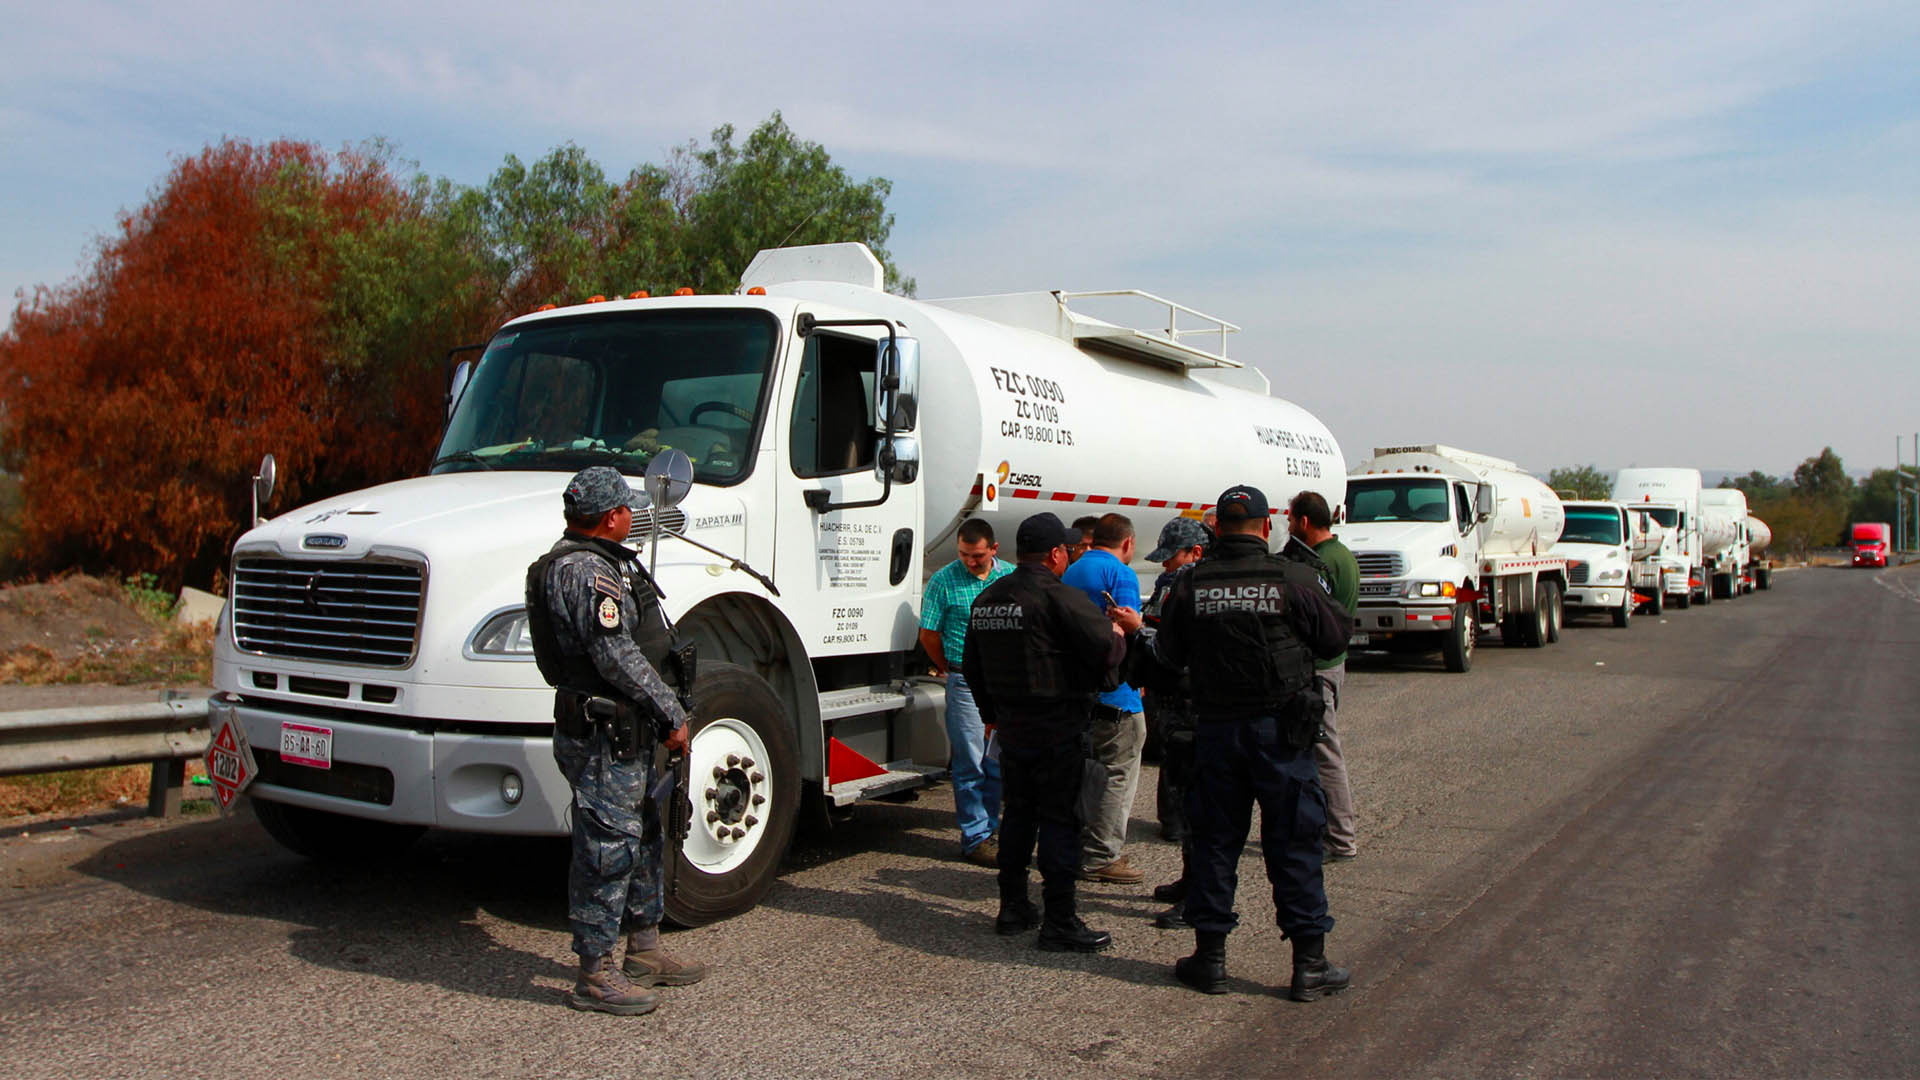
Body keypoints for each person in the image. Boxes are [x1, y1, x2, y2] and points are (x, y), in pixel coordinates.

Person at [1114, 485, 1352, 1000]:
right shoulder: (1296, 578)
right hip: (1281, 734)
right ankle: (1309, 964)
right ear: (1268, 528)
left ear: (1216, 530)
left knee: (1216, 843)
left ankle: (1211, 959)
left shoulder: (1193, 585)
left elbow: (1169, 657)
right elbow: (1335, 639)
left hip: (1216, 730)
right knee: (1295, 843)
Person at [524, 466, 710, 1016]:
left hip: (626, 730)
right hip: (605, 730)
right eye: (627, 509)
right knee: (607, 847)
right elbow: (615, 656)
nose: (633, 515)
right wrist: (671, 710)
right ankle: (595, 973)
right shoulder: (586, 573)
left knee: (644, 833)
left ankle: (644, 949)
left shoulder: (602, 564)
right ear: (611, 518)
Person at [962, 512, 1126, 952]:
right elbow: (1105, 650)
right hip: (1058, 727)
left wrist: (992, 713)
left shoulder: (988, 599)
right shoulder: (1060, 597)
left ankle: (1012, 907)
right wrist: (1118, 632)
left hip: (1012, 729)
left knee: (1017, 816)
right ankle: (1060, 919)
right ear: (1056, 553)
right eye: (1067, 551)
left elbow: (972, 666)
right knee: (1060, 822)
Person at [918, 518, 1015, 866]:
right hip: (965, 681)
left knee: (998, 758)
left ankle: (995, 828)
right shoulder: (945, 580)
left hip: (1005, 680)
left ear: (993, 549)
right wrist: (948, 666)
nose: (969, 562)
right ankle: (977, 836)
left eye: (976, 555)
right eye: (963, 554)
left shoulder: (1009, 577)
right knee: (971, 759)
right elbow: (929, 633)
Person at [1059, 512, 1147, 885]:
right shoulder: (1122, 575)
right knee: (1117, 774)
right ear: (1127, 543)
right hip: (1118, 695)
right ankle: (1102, 855)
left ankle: (1081, 845)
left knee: (1087, 774)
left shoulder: (1072, 571)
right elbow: (1127, 632)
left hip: (1078, 691)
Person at [1136, 515, 1211, 930]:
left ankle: (1198, 897)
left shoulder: (1196, 589)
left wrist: (1137, 630)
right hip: (1176, 707)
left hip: (1192, 706)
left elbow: (1171, 647)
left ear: (1195, 553)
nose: (1165, 566)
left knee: (1197, 807)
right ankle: (1190, 880)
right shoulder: (1180, 583)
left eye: (1173, 557)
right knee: (1183, 802)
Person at [1288, 490, 1360, 862]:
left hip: (1319, 667)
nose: (1288, 526)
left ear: (1303, 521)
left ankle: (1341, 838)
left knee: (1325, 749)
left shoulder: (1320, 563)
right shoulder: (1343, 555)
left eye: (1290, 519)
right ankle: (1325, 829)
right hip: (1335, 662)